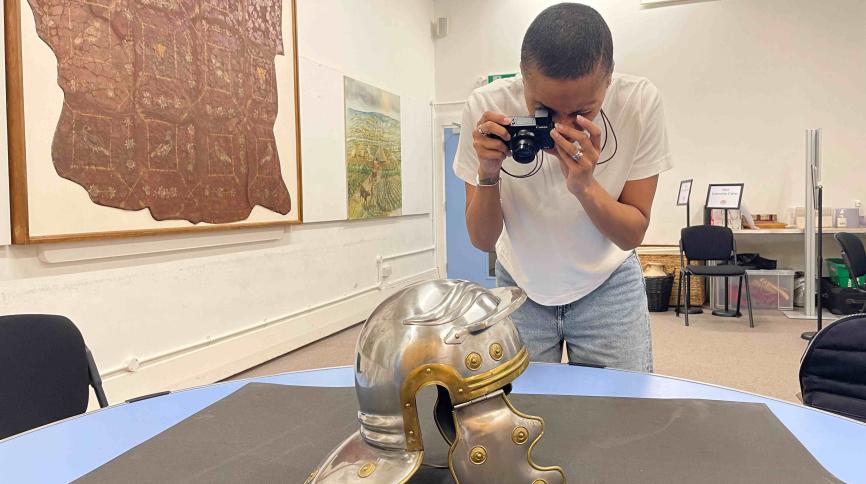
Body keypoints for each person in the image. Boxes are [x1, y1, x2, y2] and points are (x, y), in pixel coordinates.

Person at [452, 3, 672, 372]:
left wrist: (585, 186)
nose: (561, 126)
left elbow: (632, 234)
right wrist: (488, 173)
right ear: (522, 79)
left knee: (620, 413)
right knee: (522, 414)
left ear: (609, 81)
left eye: (584, 110)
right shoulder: (486, 107)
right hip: (520, 284)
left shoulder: (638, 102)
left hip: (609, 285)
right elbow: (482, 240)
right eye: (544, 110)